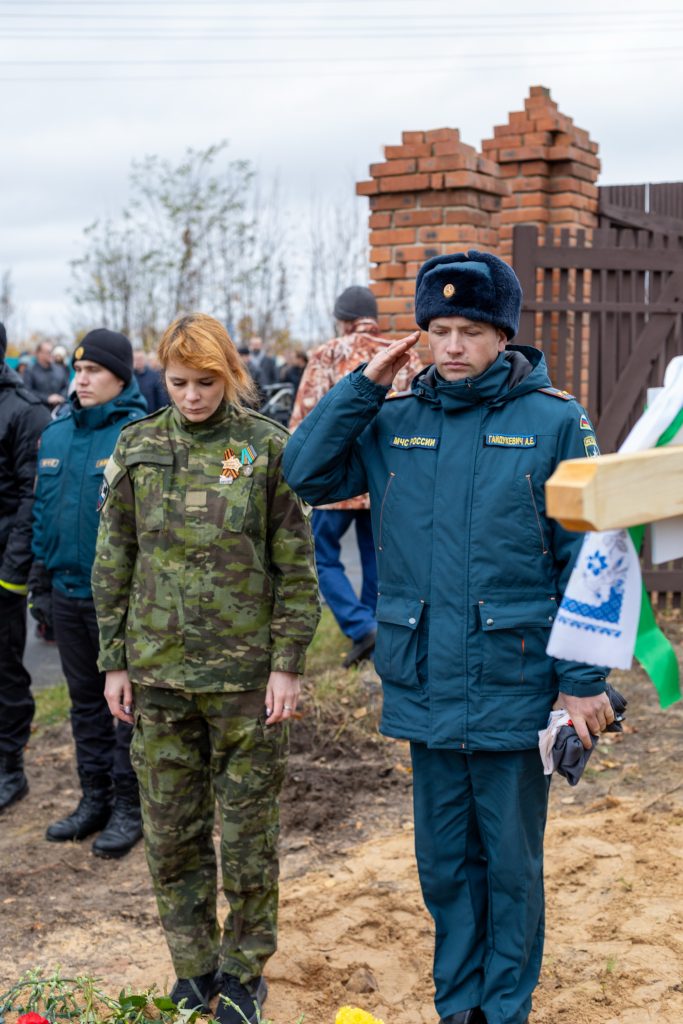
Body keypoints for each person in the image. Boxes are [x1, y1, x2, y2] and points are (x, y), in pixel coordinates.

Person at [282, 251, 614, 1024]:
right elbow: (304, 472)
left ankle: (504, 1009)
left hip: (513, 679)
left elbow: (589, 556)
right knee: (442, 864)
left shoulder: (554, 421)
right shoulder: (394, 420)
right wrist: (363, 386)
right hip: (426, 679)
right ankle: (457, 1005)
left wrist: (580, 683)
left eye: (470, 330)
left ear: (503, 335)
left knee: (509, 866)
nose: (453, 346)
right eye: (438, 330)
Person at [91, 313, 320, 1023]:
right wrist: (113, 662)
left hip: (246, 682)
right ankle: (192, 967)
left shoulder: (265, 448)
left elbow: (295, 567)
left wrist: (287, 664)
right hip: (158, 680)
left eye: (207, 383)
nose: (192, 396)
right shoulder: (137, 445)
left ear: (231, 376)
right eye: (179, 382)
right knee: (172, 834)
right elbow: (114, 559)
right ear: (162, 376)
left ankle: (244, 972)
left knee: (247, 836)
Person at [29, 329, 148, 856]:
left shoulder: (138, 436)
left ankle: (128, 805)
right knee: (84, 704)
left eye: (94, 371)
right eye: (78, 370)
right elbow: (42, 514)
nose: (81, 379)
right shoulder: (56, 435)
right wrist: (40, 583)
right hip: (66, 593)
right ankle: (93, 798)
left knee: (124, 704)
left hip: (121, 601)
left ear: (120, 377)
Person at [289, 285, 422, 668]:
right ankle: (373, 631)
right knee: (376, 556)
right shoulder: (403, 355)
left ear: (343, 320)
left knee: (321, 557)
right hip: (383, 478)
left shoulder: (328, 353)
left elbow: (306, 416)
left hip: (337, 479)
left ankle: (360, 626)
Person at [0, 322, 51, 812]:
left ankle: (9, 768)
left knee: (4, 672)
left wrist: (12, 573)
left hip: (2, 565)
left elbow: (31, 498)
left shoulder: (24, 411)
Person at [23, 340, 68, 410]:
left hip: (58, 410)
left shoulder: (60, 369)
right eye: (49, 352)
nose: (52, 354)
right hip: (38, 410)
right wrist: (47, 398)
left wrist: (60, 397)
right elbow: (27, 391)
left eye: (52, 351)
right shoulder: (30, 371)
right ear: (39, 353)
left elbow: (65, 386)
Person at [133, 347, 169, 413]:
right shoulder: (130, 377)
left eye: (140, 359)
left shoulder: (154, 375)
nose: (138, 361)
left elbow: (161, 397)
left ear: (145, 360)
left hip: (152, 414)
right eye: (136, 359)